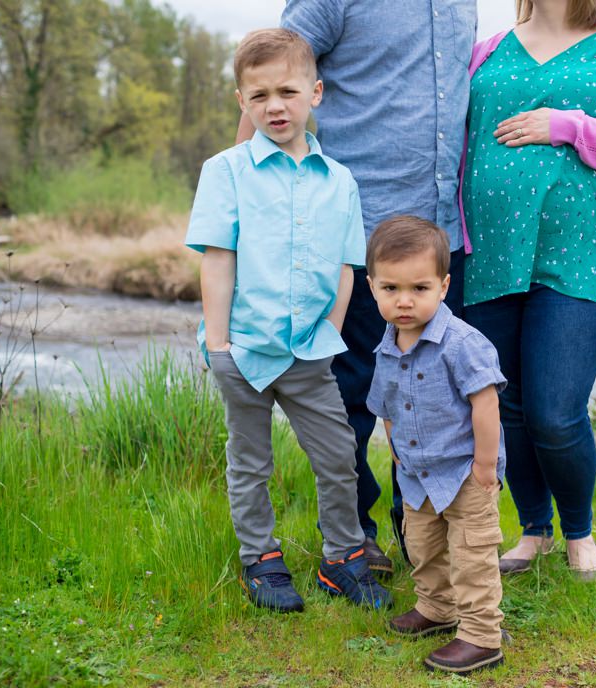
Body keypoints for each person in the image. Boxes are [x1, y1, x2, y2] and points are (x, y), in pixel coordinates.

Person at [236, 1, 479, 579]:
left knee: (436, 397)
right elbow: (270, 80)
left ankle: (424, 534)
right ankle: (352, 537)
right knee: (345, 399)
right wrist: (249, 200)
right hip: (354, 237)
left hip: (443, 238)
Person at [460, 0, 596, 580]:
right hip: (491, 251)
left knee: (555, 410)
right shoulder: (488, 51)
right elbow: (460, 148)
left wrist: (566, 125)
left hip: (583, 254)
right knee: (507, 405)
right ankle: (533, 532)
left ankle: (579, 529)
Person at [188, 28, 391, 613]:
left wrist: (327, 332)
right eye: (258, 96)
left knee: (338, 456)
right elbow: (218, 260)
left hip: (308, 352)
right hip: (245, 349)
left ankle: (343, 559)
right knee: (249, 461)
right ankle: (262, 559)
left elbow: (348, 269)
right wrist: (219, 344)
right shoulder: (225, 171)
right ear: (242, 103)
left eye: (287, 91)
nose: (274, 106)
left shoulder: (341, 181)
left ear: (316, 93)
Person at [365, 216, 508, 674]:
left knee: (471, 553)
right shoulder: (385, 347)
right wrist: (395, 452)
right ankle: (437, 607)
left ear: (444, 286)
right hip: (416, 474)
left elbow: (486, 405)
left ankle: (482, 635)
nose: (404, 301)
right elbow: (385, 407)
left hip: (465, 471)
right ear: (372, 287)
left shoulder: (461, 344)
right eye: (391, 289)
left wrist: (485, 465)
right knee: (423, 546)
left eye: (419, 289)